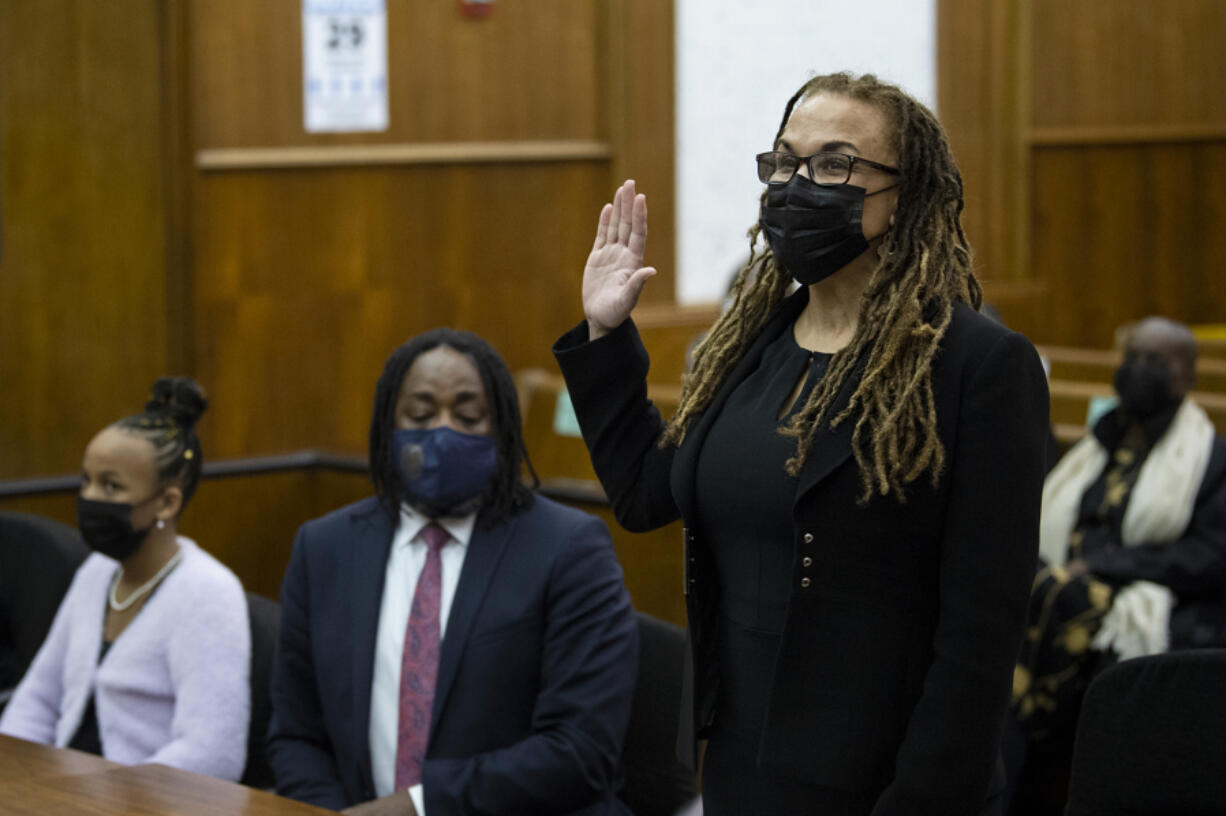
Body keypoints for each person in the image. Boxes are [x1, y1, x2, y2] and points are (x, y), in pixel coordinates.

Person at [553, 72, 1050, 815]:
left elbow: (981, 637)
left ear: (903, 194)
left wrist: (922, 799)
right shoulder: (749, 344)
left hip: (890, 779)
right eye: (784, 163)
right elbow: (645, 494)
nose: (796, 184)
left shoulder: (977, 365)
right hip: (742, 768)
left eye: (834, 164)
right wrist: (605, 332)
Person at [268, 328, 638, 815]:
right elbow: (296, 737)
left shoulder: (569, 549)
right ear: (388, 426)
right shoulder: (325, 548)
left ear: (502, 428)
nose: (443, 432)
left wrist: (418, 807)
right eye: (420, 415)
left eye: (468, 415)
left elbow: (581, 751)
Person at [1006, 316, 1226, 814]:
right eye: (1132, 357)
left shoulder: (1209, 458)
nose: (1139, 370)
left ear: (1187, 375)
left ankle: (1037, 756)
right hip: (1063, 581)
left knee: (1057, 596)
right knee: (1027, 586)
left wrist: (1107, 565)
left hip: (1146, 594)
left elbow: (1207, 558)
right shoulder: (1100, 441)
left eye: (1156, 361)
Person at [0, 378, 250, 780]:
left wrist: (93, 795)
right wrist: (14, 776)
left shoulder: (209, 593)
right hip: (60, 793)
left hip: (143, 803)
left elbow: (212, 754)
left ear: (167, 501)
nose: (89, 497)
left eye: (111, 486)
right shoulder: (97, 572)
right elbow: (38, 700)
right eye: (86, 481)